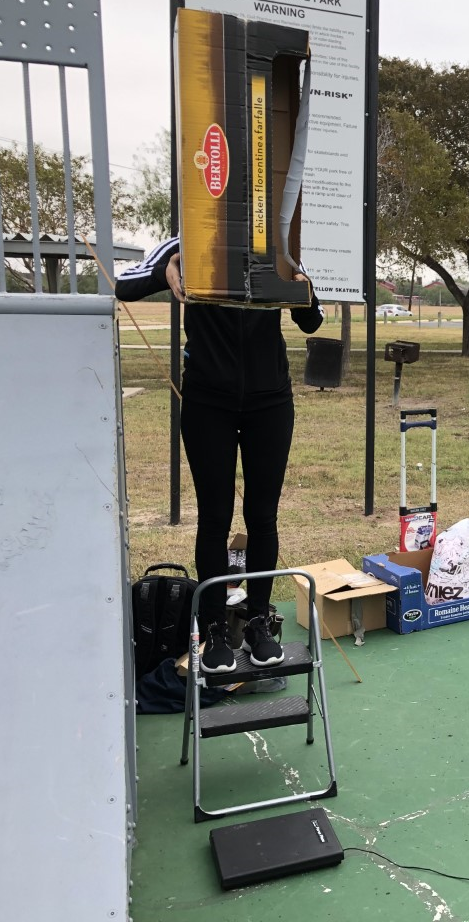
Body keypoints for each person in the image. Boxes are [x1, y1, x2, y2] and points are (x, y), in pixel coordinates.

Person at [115, 237, 323, 674]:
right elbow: (123, 285)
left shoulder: (276, 245)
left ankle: (259, 622)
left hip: (271, 399)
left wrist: (299, 288)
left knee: (263, 515)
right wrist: (167, 268)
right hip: (208, 400)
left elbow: (312, 320)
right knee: (215, 516)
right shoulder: (186, 237)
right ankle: (213, 628)